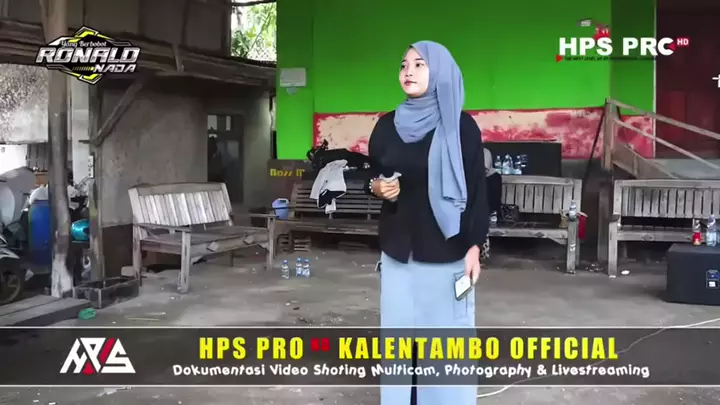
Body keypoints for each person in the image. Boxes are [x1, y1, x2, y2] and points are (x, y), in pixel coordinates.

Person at [365, 41, 489, 405]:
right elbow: (373, 174)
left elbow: (478, 190)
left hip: (448, 253)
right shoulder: (387, 126)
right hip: (398, 254)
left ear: (440, 72)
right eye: (404, 65)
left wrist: (474, 246)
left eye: (420, 65)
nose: (409, 72)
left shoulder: (461, 127)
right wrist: (377, 187)